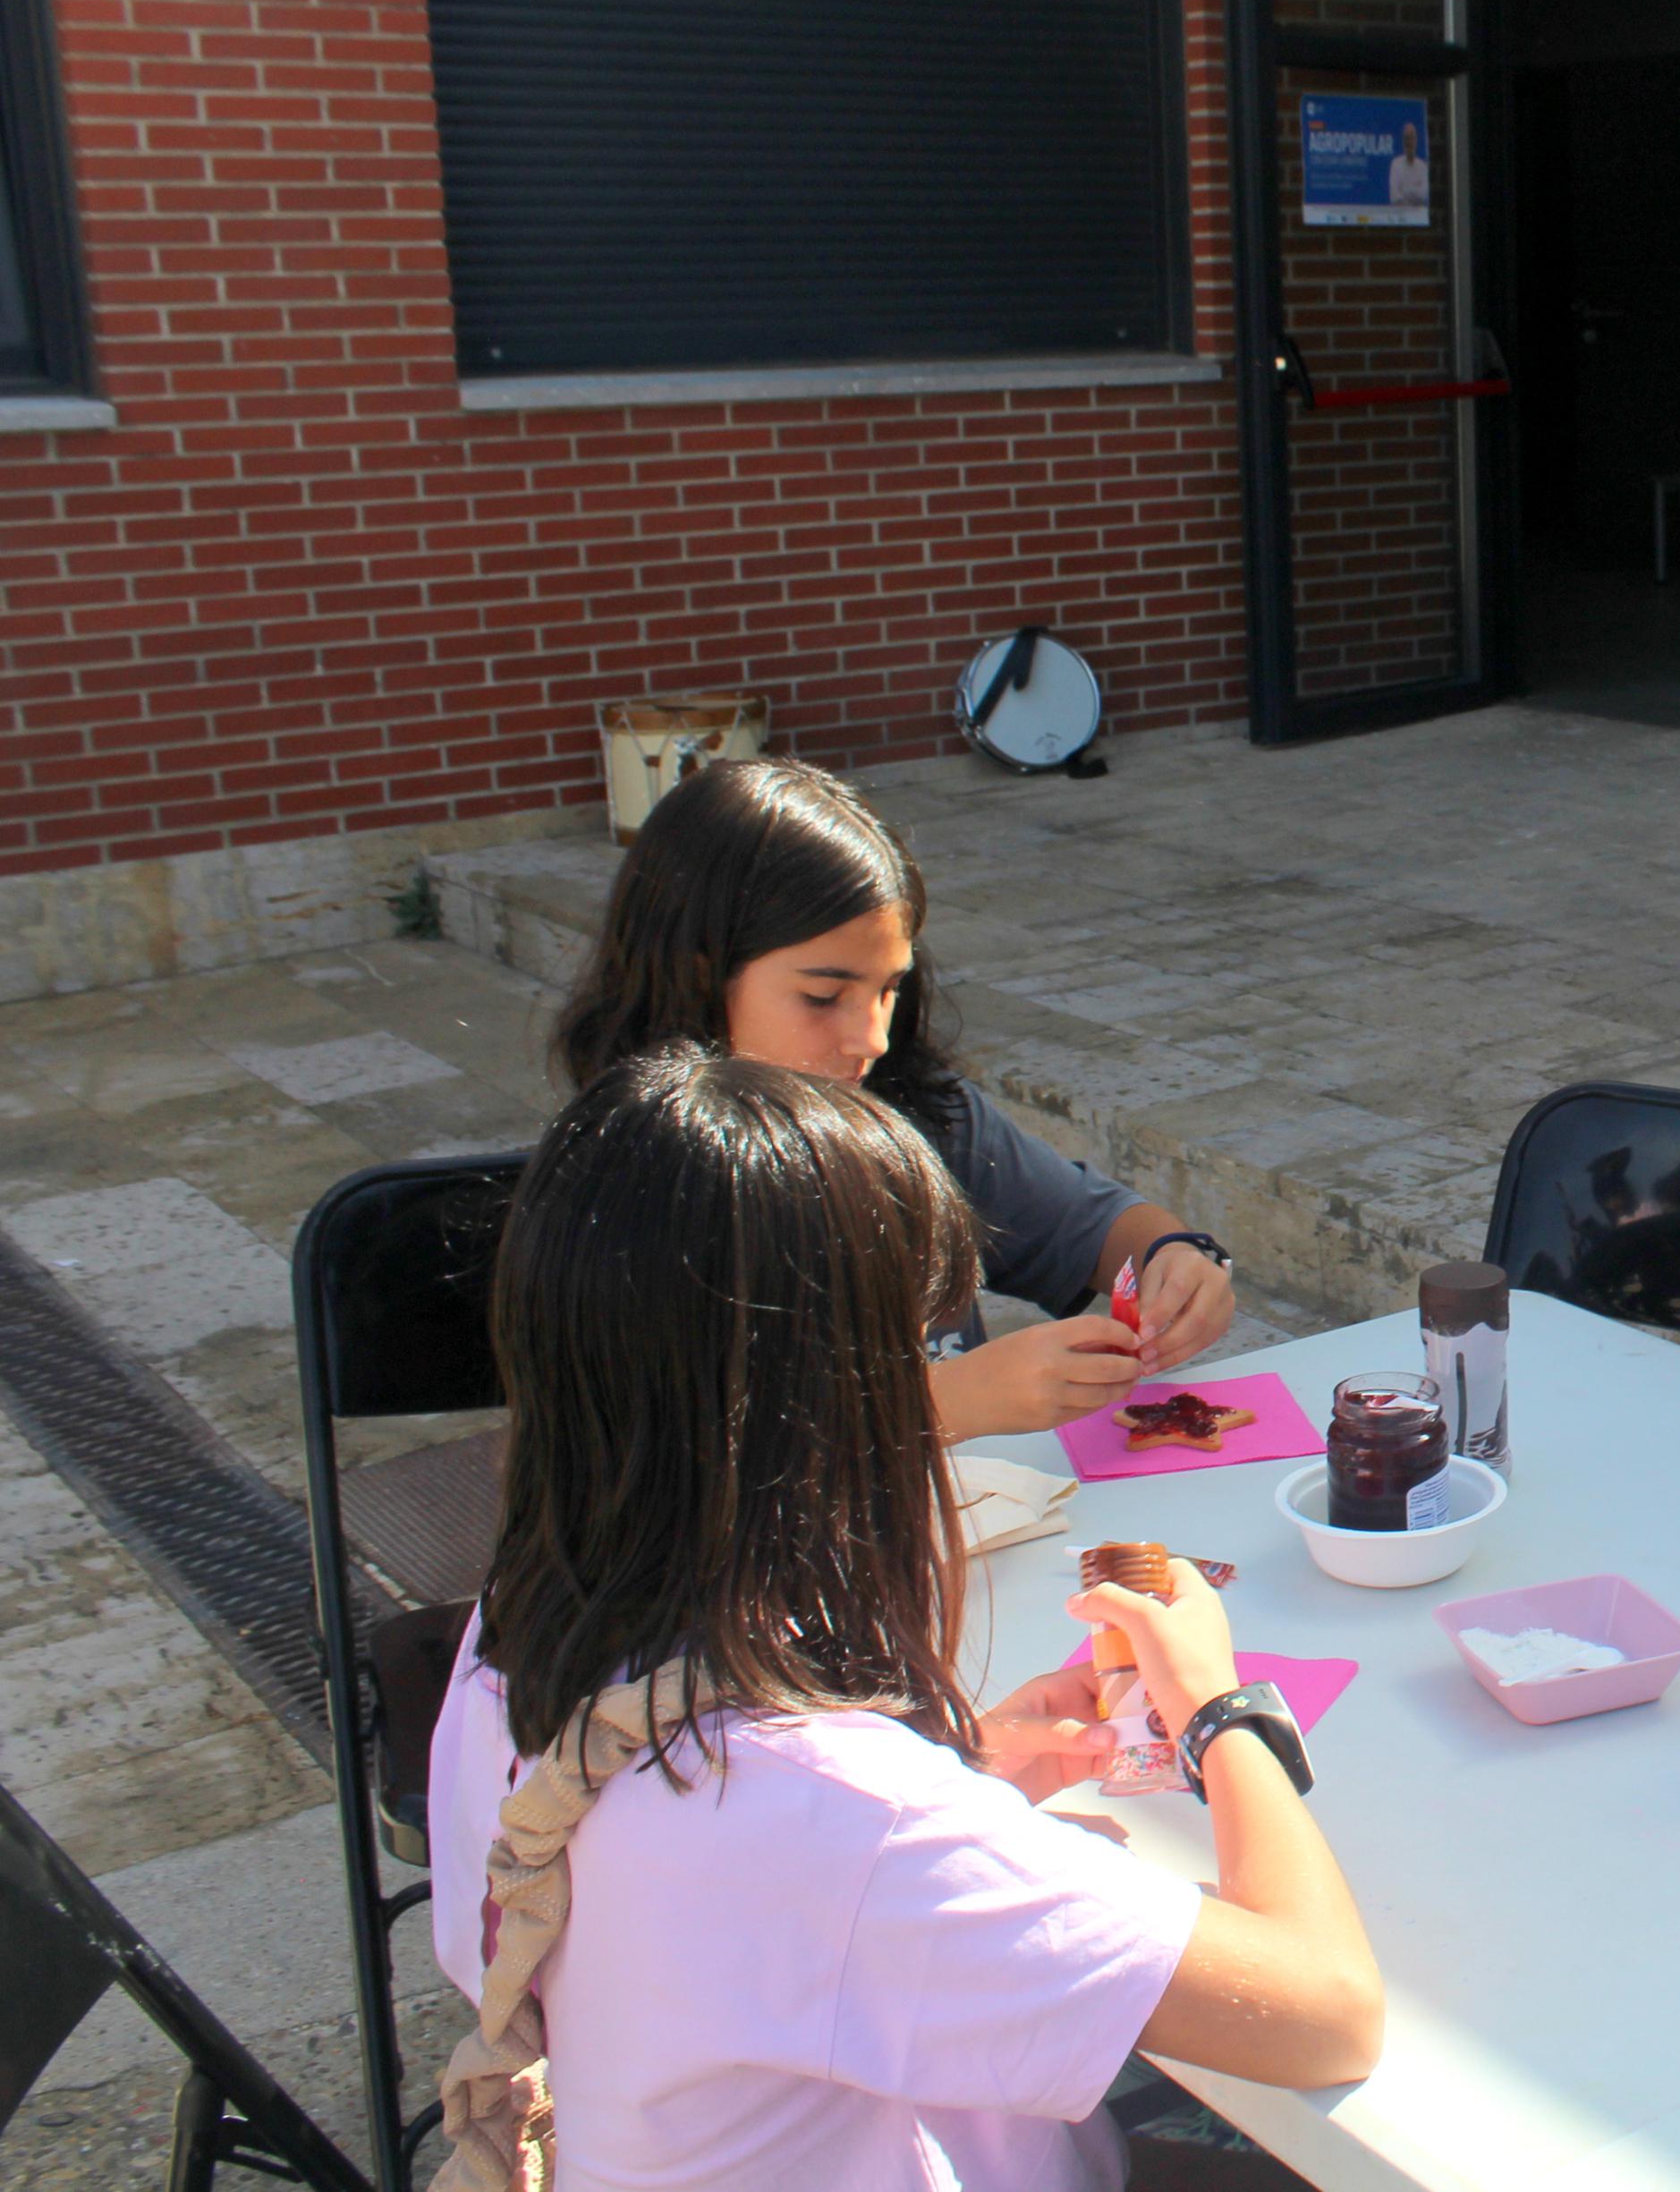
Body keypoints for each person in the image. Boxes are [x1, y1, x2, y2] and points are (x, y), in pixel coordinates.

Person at [428, 1049, 1379, 2188]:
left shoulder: (515, 1629)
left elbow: (729, 1921)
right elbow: (1327, 2013)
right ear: (827, 1402)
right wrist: (1219, 1709)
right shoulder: (831, 1817)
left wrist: (957, 1770)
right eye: (910, 1353)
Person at [552, 755, 1237, 1441]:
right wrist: (944, 1403)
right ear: (696, 972)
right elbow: (682, 1456)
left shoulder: (915, 1115)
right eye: (823, 995)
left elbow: (1096, 1227)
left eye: (888, 988)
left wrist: (1174, 1258)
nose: (871, 1037)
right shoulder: (631, 1186)